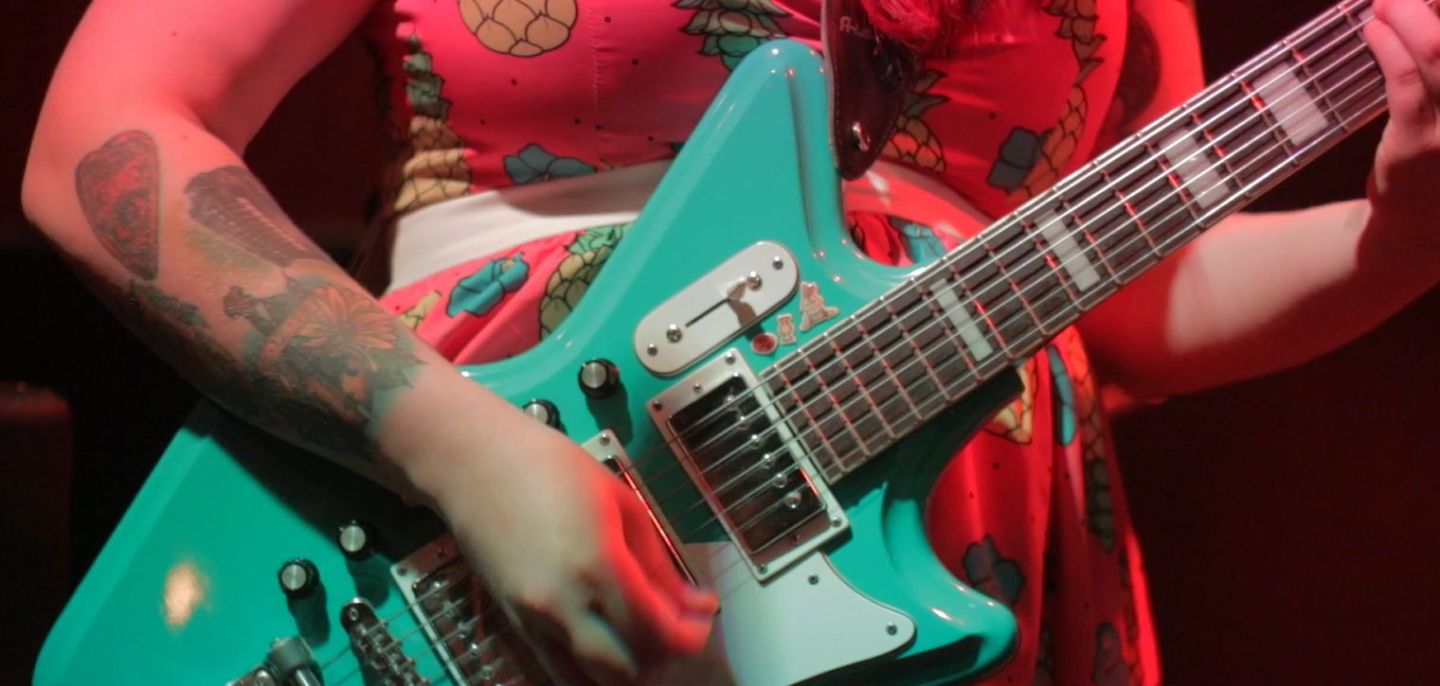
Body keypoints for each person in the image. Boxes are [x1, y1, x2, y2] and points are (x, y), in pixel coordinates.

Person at [20, 0, 1440, 683]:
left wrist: (1398, 245)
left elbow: (1124, 298)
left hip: (967, 556)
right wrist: (450, 444)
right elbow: (110, 131)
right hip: (464, 528)